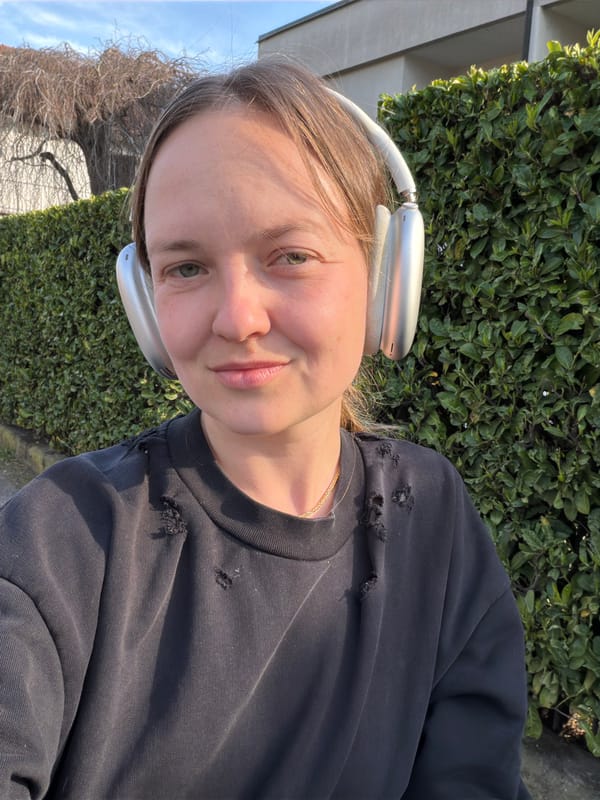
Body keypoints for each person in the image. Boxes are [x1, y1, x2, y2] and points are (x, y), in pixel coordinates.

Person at [0, 58, 531, 799]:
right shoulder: (56, 543)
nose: (238, 318)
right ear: (145, 306)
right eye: (186, 268)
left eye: (290, 255)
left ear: (385, 279)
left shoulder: (434, 518)